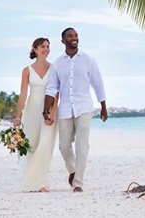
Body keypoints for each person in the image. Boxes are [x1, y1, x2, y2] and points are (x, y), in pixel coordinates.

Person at [43, 27, 108, 193]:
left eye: (76, 35)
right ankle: (73, 170)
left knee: (82, 145)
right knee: (64, 146)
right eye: (70, 36)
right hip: (65, 109)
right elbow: (51, 88)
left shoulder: (88, 60)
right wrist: (46, 110)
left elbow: (98, 83)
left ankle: (78, 182)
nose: (74, 38)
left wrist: (103, 106)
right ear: (63, 41)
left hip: (84, 107)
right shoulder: (58, 64)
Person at [13, 37, 58, 192]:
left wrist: (51, 113)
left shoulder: (54, 68)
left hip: (48, 110)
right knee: (31, 144)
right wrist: (18, 116)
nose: (46, 49)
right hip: (32, 108)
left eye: (47, 46)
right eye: (42, 46)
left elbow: (57, 93)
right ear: (35, 49)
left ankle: (42, 183)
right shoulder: (27, 70)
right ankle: (33, 182)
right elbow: (23, 94)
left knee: (45, 145)